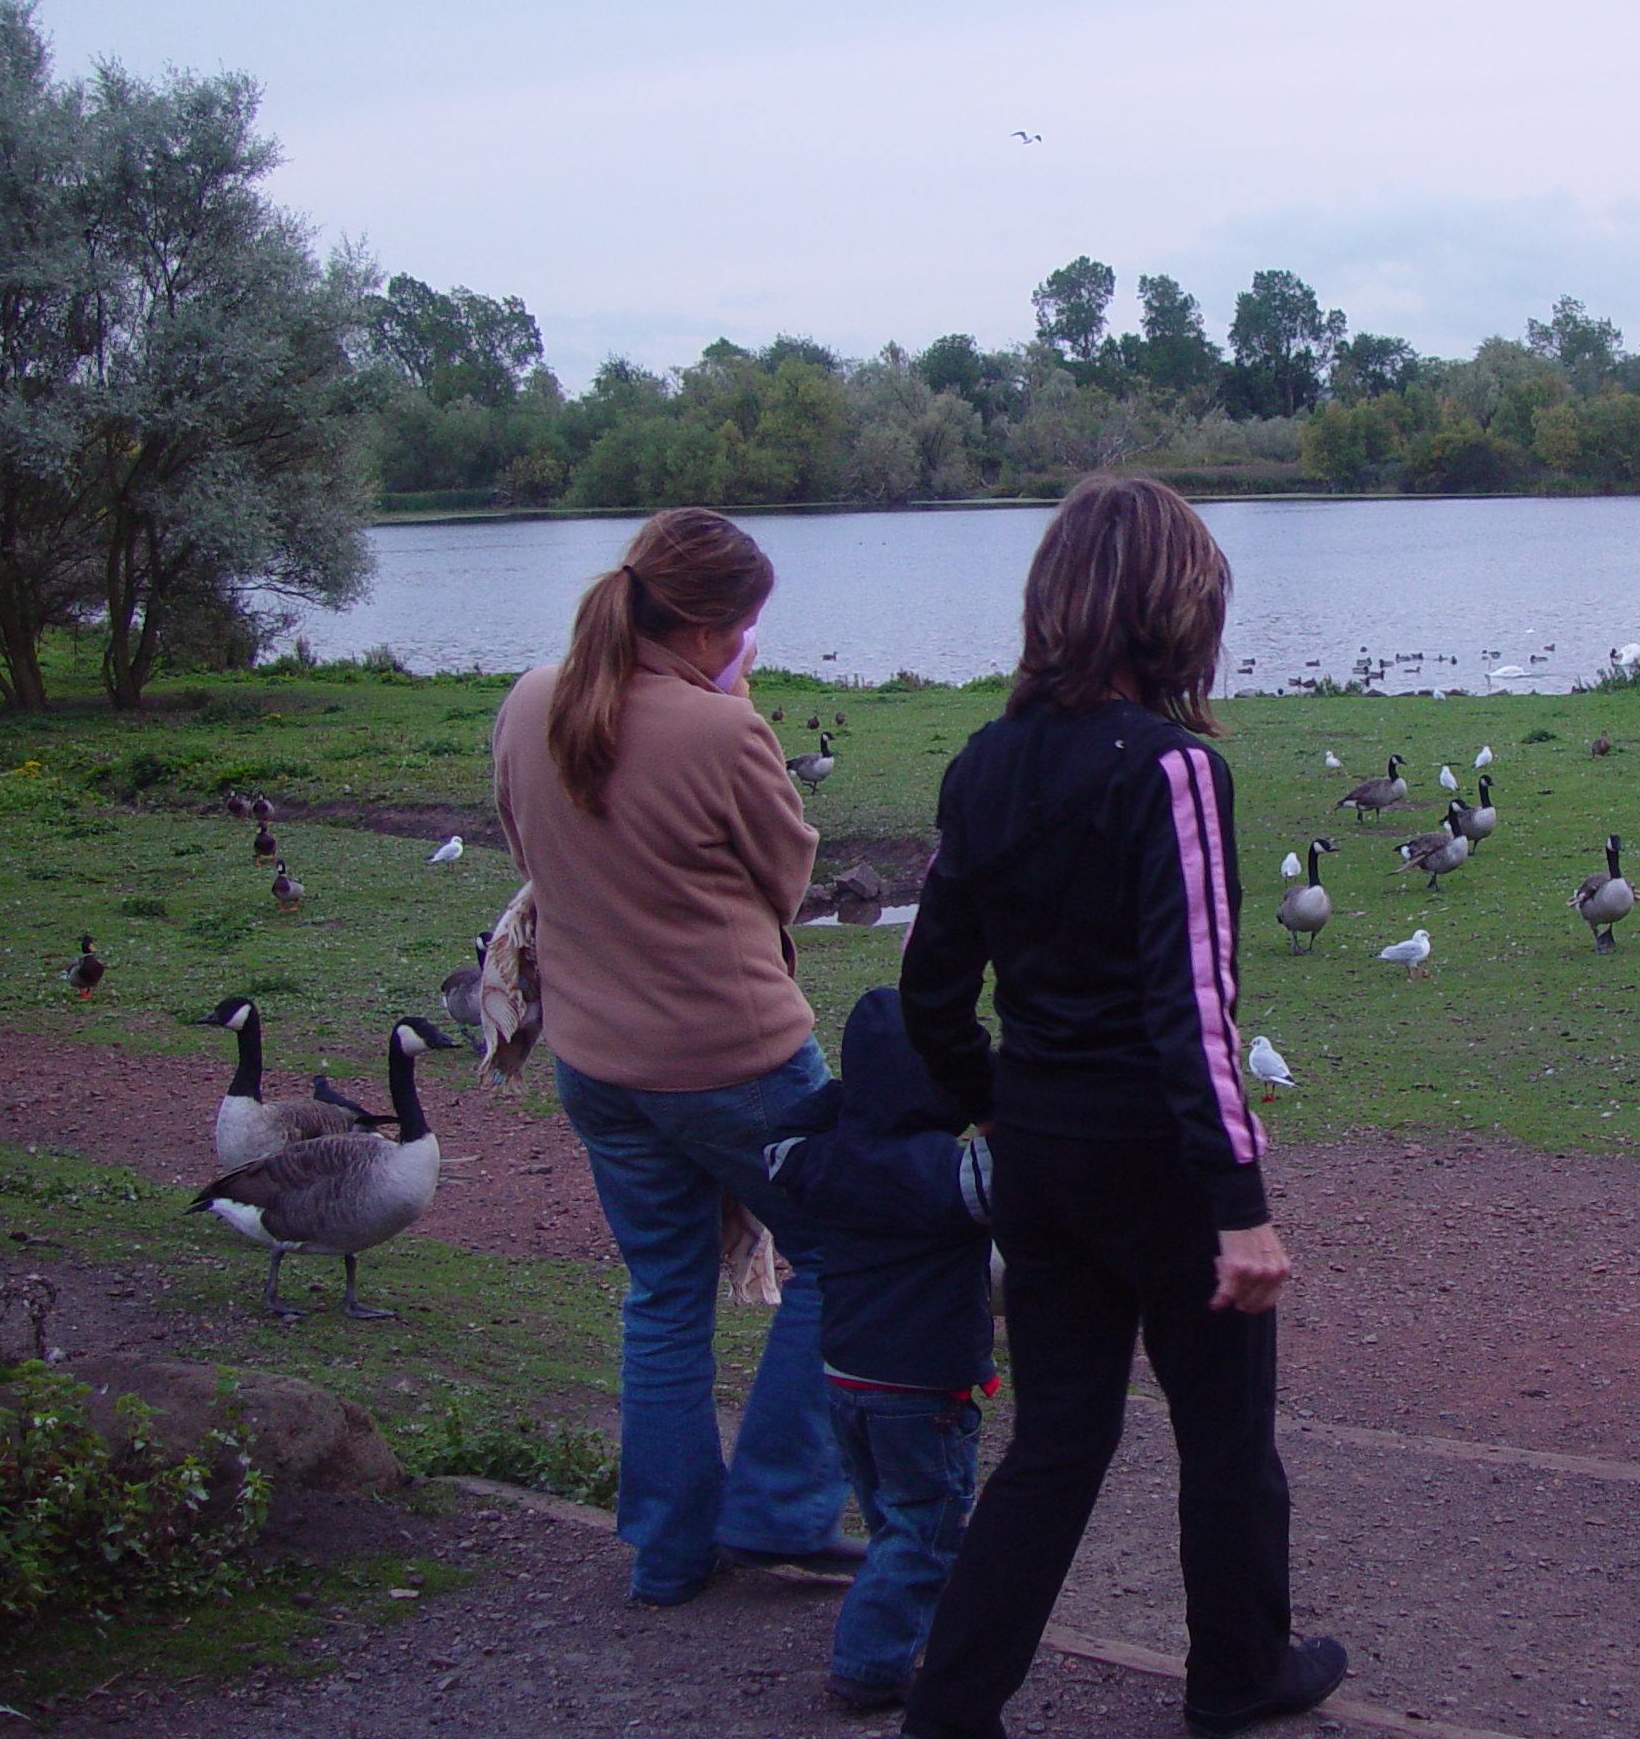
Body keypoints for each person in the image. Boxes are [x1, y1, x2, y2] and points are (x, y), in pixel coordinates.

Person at [897, 473, 1344, 1739]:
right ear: (1176, 612)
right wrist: (1241, 1210)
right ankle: (1238, 1675)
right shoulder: (1174, 773)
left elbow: (930, 993)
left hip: (1038, 1156)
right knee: (1226, 1441)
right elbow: (1195, 1008)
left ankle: (951, 1706)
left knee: (1054, 1444)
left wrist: (1000, 1104)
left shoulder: (981, 763)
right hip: (1155, 1165)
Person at [490, 506, 860, 1606]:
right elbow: (789, 878)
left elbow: (528, 848)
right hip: (735, 1061)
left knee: (662, 1291)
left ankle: (667, 1548)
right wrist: (732, 707)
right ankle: (781, 1511)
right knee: (852, 1250)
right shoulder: (720, 729)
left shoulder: (526, 702)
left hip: (599, 1065)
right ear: (715, 631)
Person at [765, 985, 996, 1713]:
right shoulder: (944, 1173)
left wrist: (855, 1093)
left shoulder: (822, 1158)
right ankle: (868, 1667)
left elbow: (780, 1137)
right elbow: (1018, 1166)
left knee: (895, 1519)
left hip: (845, 1378)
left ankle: (906, 1632)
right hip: (921, 1389)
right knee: (924, 1532)